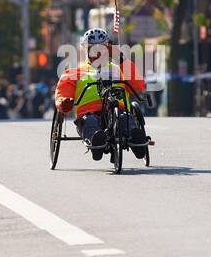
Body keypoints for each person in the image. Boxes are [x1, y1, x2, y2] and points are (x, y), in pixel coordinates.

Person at [54, 28, 147, 161]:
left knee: (124, 119)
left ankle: (136, 139)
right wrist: (64, 102)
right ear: (86, 50)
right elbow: (62, 93)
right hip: (88, 114)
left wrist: (119, 58)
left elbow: (138, 86)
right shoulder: (74, 72)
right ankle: (95, 142)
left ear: (107, 48)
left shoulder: (119, 68)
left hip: (117, 110)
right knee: (91, 122)